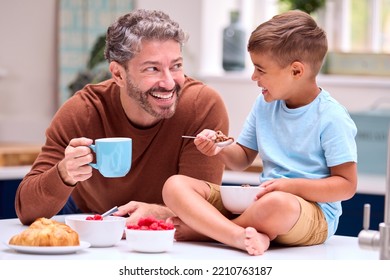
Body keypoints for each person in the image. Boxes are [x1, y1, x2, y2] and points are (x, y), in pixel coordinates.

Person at [162, 10, 358, 256]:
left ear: (296, 71)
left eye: (261, 70)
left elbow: (346, 186)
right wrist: (219, 147)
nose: (254, 77)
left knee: (276, 204)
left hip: (309, 213)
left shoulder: (332, 117)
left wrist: (292, 187)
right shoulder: (265, 103)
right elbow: (242, 158)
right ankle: (238, 234)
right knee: (175, 185)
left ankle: (210, 232)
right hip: (261, 204)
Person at [15, 9, 229, 226]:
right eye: (152, 69)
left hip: (169, 232)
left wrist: (159, 213)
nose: (169, 82)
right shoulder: (83, 111)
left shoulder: (201, 106)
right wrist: (63, 173)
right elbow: (26, 211)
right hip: (92, 220)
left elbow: (205, 208)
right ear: (118, 74)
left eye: (176, 66)